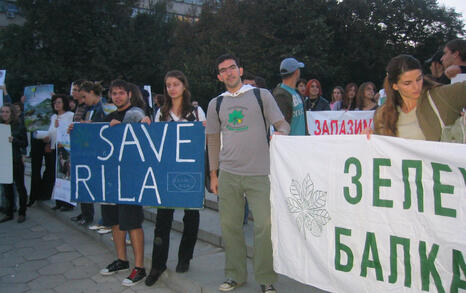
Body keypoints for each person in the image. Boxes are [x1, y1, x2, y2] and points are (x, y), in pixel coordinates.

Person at [206, 53, 290, 293]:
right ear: (220, 76)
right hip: (228, 174)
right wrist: (214, 174)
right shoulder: (216, 104)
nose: (229, 72)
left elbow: (281, 124)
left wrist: (281, 134)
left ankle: (266, 278)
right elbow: (212, 140)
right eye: (223, 70)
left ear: (240, 70)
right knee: (230, 227)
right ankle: (234, 275)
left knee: (264, 227)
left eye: (232, 68)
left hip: (260, 173)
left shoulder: (261, 95)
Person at [144, 70, 203, 287]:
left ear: (184, 86)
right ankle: (158, 264)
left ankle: (184, 258)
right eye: (168, 84)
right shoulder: (161, 113)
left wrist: (203, 131)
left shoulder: (196, 112)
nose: (172, 88)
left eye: (176, 84)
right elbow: (155, 140)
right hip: (167, 172)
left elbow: (205, 139)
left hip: (190, 173)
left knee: (191, 218)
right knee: (162, 221)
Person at [98, 79, 146, 287]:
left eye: (120, 93)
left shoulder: (137, 115)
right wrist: (76, 130)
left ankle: (140, 267)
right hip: (112, 179)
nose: (117, 97)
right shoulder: (107, 117)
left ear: (128, 94)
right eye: (113, 93)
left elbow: (144, 143)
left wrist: (127, 128)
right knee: (116, 222)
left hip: (130, 179)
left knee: (132, 222)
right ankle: (122, 260)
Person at [373, 54, 466, 140]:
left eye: (419, 79)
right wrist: (370, 138)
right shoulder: (382, 114)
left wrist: (462, 68)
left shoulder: (441, 95)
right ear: (395, 86)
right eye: (407, 83)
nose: (416, 87)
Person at [72, 81, 106, 225]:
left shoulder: (104, 108)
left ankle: (104, 219)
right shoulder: (90, 108)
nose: (84, 101)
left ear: (92, 93)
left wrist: (90, 126)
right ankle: (88, 215)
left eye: (85, 97)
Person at [46, 94, 75, 211]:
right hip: (55, 148)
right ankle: (59, 201)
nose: (56, 105)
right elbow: (51, 132)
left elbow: (69, 130)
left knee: (66, 175)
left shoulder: (70, 115)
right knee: (56, 176)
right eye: (55, 103)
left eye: (59, 102)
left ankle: (68, 203)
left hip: (66, 149)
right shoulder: (53, 117)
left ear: (64, 103)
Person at [0, 104, 28, 223]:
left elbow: (24, 143)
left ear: (11, 113)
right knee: (7, 188)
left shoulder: (19, 126)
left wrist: (14, 140)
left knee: (20, 187)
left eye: (7, 112)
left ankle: (22, 212)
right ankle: (9, 212)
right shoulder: (1, 126)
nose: (4, 114)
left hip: (15, 160)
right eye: (2, 112)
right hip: (4, 160)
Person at [273, 57, 307, 135]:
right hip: (290, 144)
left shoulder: (296, 91)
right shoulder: (280, 95)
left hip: (302, 142)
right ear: (296, 72)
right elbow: (280, 125)